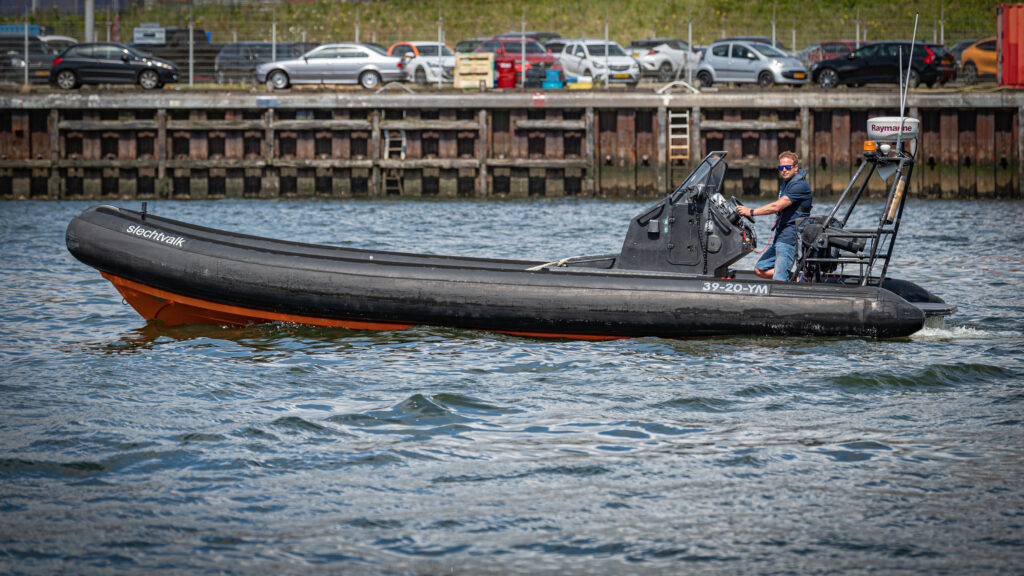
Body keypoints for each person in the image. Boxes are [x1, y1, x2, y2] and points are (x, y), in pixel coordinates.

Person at [736, 151, 813, 281]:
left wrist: (751, 211)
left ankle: (796, 281)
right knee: (759, 269)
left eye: (787, 167)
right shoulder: (787, 182)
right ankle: (798, 278)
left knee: (779, 279)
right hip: (780, 235)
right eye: (781, 167)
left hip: (789, 237)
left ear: (795, 168)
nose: (784, 170)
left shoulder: (799, 185)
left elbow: (776, 207)